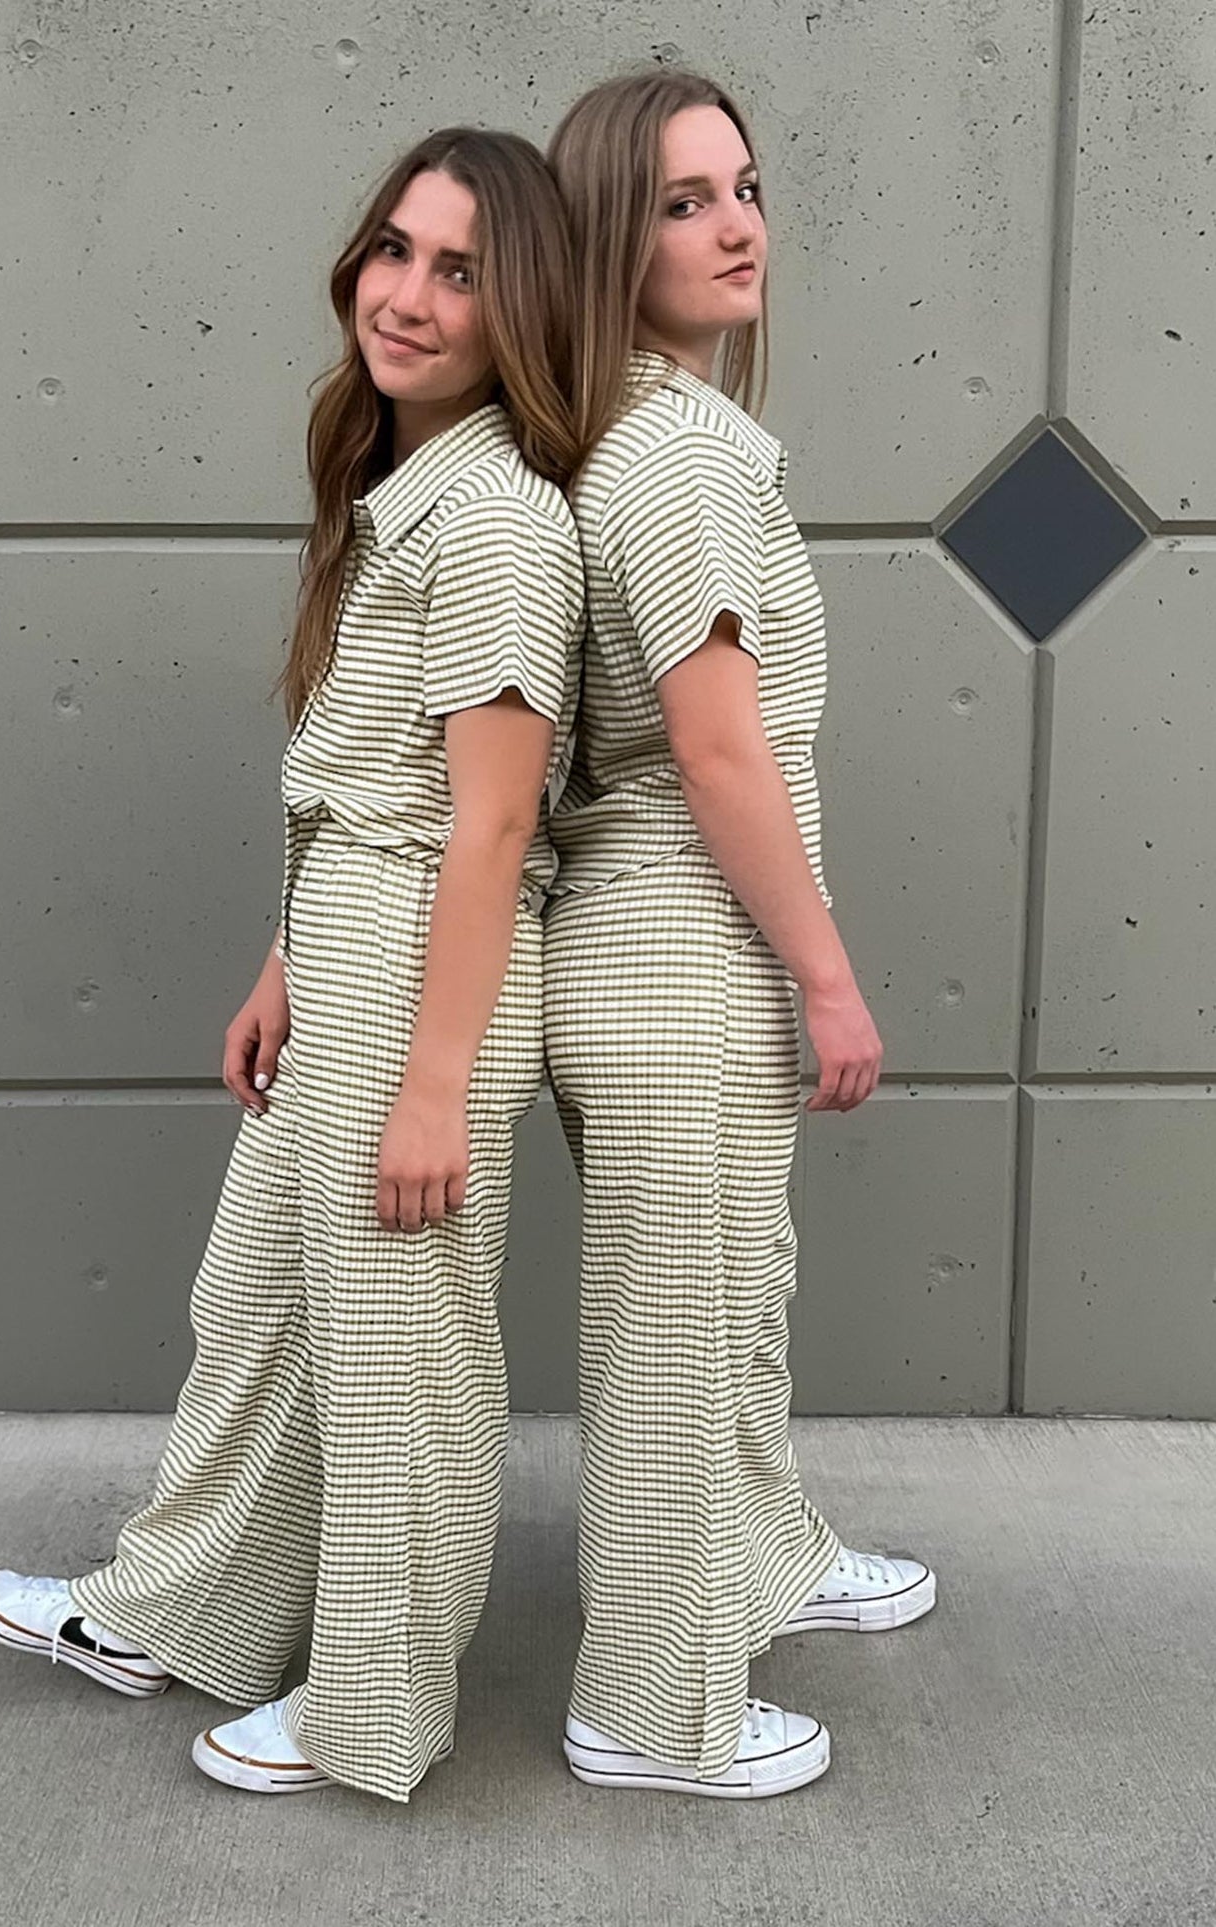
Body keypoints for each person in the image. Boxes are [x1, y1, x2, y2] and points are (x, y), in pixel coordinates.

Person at [0, 127, 584, 1806]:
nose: (409, 295)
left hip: (420, 982)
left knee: (399, 1359)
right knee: (262, 1312)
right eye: (394, 250)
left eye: (460, 270)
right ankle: (177, 1614)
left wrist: (435, 1081)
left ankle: (373, 1708)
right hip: (356, 944)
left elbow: (490, 825)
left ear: (518, 304)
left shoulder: (500, 521)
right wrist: (285, 959)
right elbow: (373, 784)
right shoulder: (394, 490)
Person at [542, 70, 936, 1799]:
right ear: (606, 240)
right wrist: (825, 973)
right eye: (685, 201)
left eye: (745, 186)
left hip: (654, 941)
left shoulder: (640, 433)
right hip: (677, 951)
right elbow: (714, 744)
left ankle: (762, 1562)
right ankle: (652, 1709)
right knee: (677, 1334)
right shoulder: (679, 452)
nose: (736, 224)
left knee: (726, 1301)